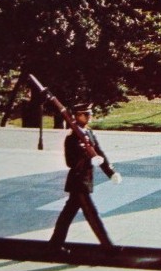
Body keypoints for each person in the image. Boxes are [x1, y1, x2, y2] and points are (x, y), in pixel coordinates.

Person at [49, 103, 122, 250]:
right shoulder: (72, 138)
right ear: (77, 116)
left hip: (86, 179)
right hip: (78, 181)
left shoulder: (89, 133)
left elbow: (99, 154)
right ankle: (108, 247)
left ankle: (54, 244)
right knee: (91, 213)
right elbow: (70, 162)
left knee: (67, 214)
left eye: (89, 114)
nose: (89, 117)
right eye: (86, 114)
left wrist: (111, 172)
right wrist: (87, 158)